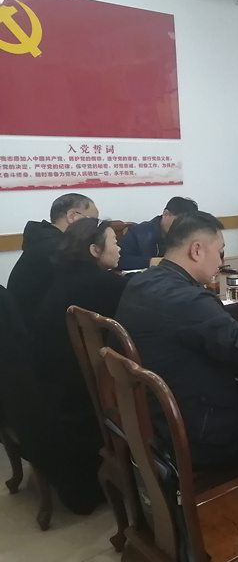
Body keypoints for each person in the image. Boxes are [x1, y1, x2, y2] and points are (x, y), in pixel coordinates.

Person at [115, 211, 238, 469]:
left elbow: (198, 319)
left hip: (153, 414)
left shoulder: (143, 281)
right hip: (192, 431)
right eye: (219, 252)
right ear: (196, 250)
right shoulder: (189, 300)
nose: (221, 262)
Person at [34, 217, 127, 514]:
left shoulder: (65, 278)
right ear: (94, 250)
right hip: (81, 396)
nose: (120, 248)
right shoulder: (103, 284)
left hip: (54, 388)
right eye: (114, 242)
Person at [7, 193, 98, 328]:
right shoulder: (58, 248)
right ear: (72, 216)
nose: (94, 228)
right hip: (35, 330)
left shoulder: (43, 239)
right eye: (92, 221)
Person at [118, 196, 199, 270]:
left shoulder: (189, 235)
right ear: (165, 214)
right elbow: (121, 261)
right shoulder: (138, 232)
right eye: (178, 222)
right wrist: (151, 261)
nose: (182, 227)